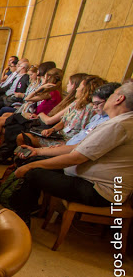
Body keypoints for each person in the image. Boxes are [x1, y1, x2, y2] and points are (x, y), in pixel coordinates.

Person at [11, 82, 133, 226]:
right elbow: (78, 147)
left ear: (119, 99)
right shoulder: (119, 122)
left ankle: (20, 221)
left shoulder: (118, 125)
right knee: (34, 162)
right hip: (88, 180)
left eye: (113, 94)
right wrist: (38, 151)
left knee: (33, 172)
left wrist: (31, 166)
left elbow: (76, 157)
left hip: (99, 190)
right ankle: (25, 211)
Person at [18, 75, 104, 148]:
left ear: (86, 90)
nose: (77, 89)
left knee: (21, 137)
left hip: (67, 142)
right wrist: (52, 130)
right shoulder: (76, 103)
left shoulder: (90, 109)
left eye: (80, 87)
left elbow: (82, 134)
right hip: (58, 135)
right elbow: (63, 121)